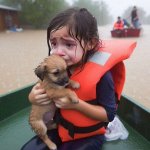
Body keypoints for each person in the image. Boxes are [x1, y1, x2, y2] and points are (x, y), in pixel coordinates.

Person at [21, 7, 135, 150]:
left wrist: (76, 105)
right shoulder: (59, 66)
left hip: (88, 134)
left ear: (90, 43)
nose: (58, 51)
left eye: (68, 44)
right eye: (54, 43)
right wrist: (32, 97)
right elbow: (42, 88)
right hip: (59, 126)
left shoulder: (103, 77)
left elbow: (109, 115)